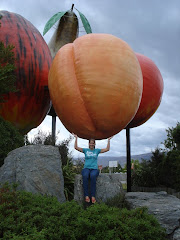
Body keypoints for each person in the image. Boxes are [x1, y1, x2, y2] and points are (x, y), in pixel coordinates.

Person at [72, 133, 112, 204]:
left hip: (94, 169)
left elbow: (107, 149)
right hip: (86, 168)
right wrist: (76, 138)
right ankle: (86, 195)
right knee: (85, 176)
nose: (91, 144)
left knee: (93, 176)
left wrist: (108, 140)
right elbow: (76, 147)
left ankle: (93, 196)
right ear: (88, 144)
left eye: (93, 143)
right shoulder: (85, 150)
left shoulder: (97, 151)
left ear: (94, 144)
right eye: (90, 143)